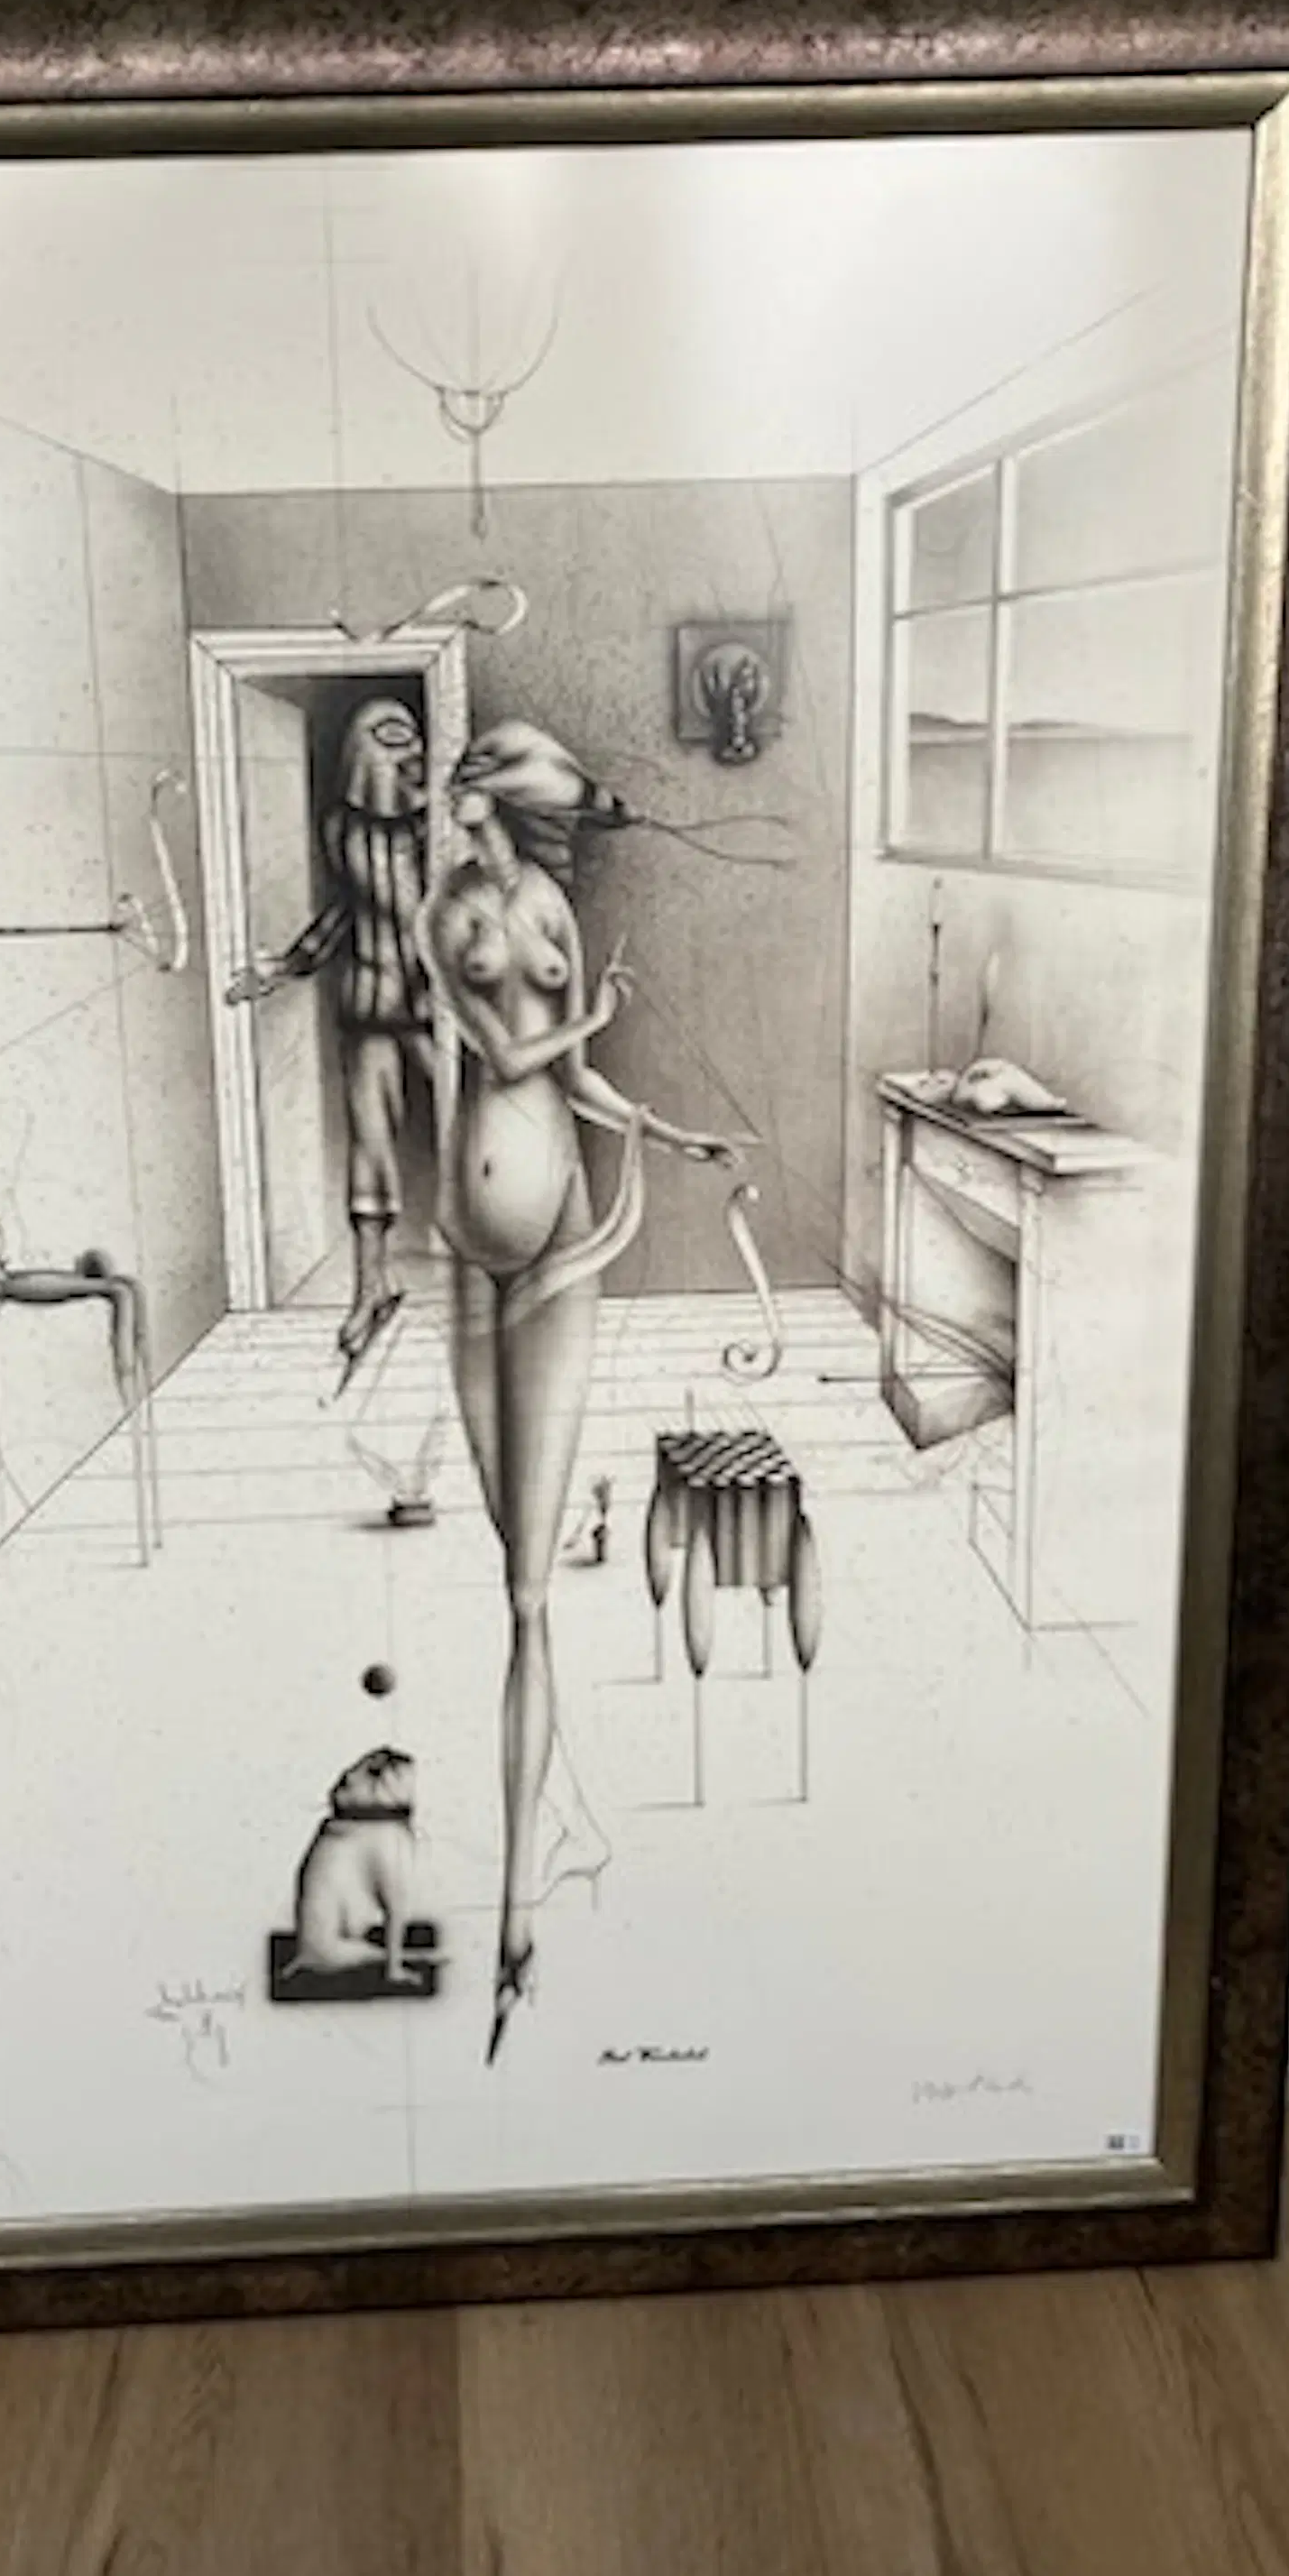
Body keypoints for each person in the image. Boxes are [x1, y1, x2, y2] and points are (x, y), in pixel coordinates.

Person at [419, 722, 741, 2059]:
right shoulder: (442, 913)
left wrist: (664, 1128)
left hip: (554, 1231)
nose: (481, 814)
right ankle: (528, 1861)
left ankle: (514, 1910)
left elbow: (575, 1077)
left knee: (528, 1590)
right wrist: (593, 1014)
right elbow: (503, 1057)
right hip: (469, 1237)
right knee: (512, 1562)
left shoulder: (549, 898)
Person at [226, 695, 437, 1377]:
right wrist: (287, 967)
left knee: (477, 1131)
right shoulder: (341, 827)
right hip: (369, 1002)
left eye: (414, 740)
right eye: (395, 740)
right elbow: (347, 910)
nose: (411, 754)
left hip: (439, 1006)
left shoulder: (438, 824)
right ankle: (371, 1285)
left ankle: (499, 1278)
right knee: (370, 1146)